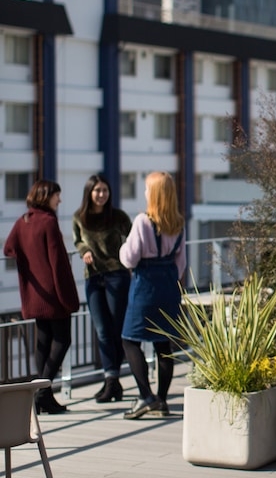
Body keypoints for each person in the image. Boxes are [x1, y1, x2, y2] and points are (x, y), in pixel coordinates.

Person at [3, 178, 80, 414]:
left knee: (44, 343)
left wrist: (28, 256)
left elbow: (8, 248)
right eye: (57, 195)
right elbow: (59, 264)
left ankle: (44, 396)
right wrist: (69, 297)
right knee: (63, 340)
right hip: (54, 295)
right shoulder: (48, 222)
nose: (60, 200)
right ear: (46, 196)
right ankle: (43, 391)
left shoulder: (23, 221)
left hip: (35, 295)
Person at [120, 171, 186, 420]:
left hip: (145, 286)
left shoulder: (142, 221)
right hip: (168, 287)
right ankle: (162, 399)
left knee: (130, 339)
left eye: (148, 189)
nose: (145, 193)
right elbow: (181, 264)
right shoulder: (178, 223)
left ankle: (145, 396)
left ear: (155, 194)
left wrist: (122, 248)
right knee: (163, 344)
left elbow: (130, 257)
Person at [73, 175, 132, 403]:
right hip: (93, 278)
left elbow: (133, 237)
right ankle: (111, 380)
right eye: (97, 190)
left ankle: (112, 380)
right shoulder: (79, 217)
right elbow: (77, 240)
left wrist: (128, 257)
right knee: (102, 330)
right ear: (89, 192)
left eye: (105, 190)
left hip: (117, 275)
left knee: (117, 329)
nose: (101, 194)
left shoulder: (118, 216)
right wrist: (84, 250)